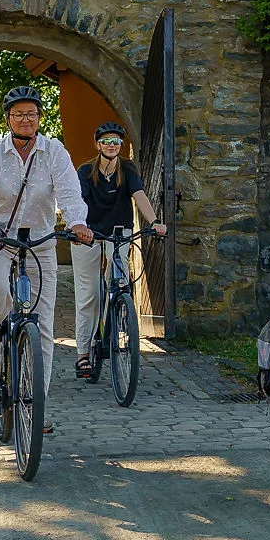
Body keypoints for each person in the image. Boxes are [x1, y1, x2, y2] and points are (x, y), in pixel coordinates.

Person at [0, 85, 94, 432]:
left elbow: (70, 189)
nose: (25, 119)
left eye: (32, 113)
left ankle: (34, 405)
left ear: (40, 118)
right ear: (8, 118)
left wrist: (77, 222)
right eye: (18, 114)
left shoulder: (54, 151)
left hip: (39, 243)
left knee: (42, 325)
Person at [71, 121, 167, 379]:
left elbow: (139, 195)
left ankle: (117, 318)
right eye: (106, 141)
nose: (111, 146)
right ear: (98, 144)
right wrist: (78, 228)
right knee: (89, 292)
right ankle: (83, 353)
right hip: (87, 234)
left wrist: (155, 222)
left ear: (121, 146)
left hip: (118, 232)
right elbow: (77, 202)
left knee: (119, 279)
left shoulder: (128, 168)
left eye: (116, 142)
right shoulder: (85, 171)